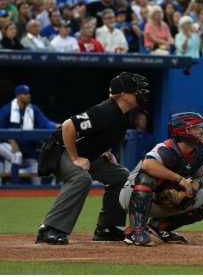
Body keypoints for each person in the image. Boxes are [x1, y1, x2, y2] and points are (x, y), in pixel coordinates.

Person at [35, 72, 150, 245]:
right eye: (137, 91)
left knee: (121, 175)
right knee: (81, 178)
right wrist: (75, 158)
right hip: (61, 151)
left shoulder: (124, 113)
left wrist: (106, 152)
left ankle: (106, 228)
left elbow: (108, 135)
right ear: (125, 95)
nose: (141, 94)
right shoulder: (105, 110)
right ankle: (49, 229)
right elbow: (68, 126)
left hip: (86, 154)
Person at [119, 112, 203, 246]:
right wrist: (179, 179)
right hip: (132, 195)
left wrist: (194, 187)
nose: (201, 130)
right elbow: (148, 165)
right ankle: (136, 230)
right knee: (147, 176)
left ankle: (160, 228)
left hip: (161, 198)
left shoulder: (199, 153)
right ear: (183, 131)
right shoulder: (166, 149)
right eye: (196, 127)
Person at [0, 85, 58, 184]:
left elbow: (46, 123)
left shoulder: (33, 109)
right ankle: (14, 189)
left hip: (25, 150)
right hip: (5, 144)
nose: (29, 95)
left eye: (29, 93)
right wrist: (11, 140)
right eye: (25, 93)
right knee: (16, 156)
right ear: (18, 96)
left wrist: (59, 126)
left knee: (36, 167)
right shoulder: (7, 109)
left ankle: (38, 195)